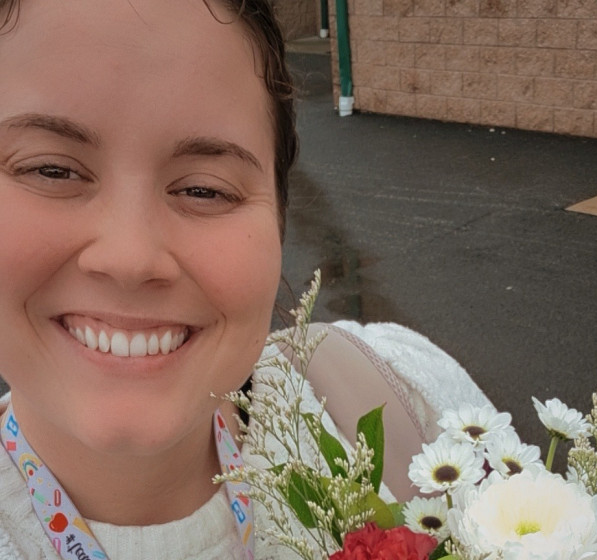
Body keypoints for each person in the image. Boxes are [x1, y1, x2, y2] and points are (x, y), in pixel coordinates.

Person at [0, 1, 490, 558]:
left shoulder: (409, 397)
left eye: (204, 189)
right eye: (51, 170)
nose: (131, 259)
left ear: (279, 217)